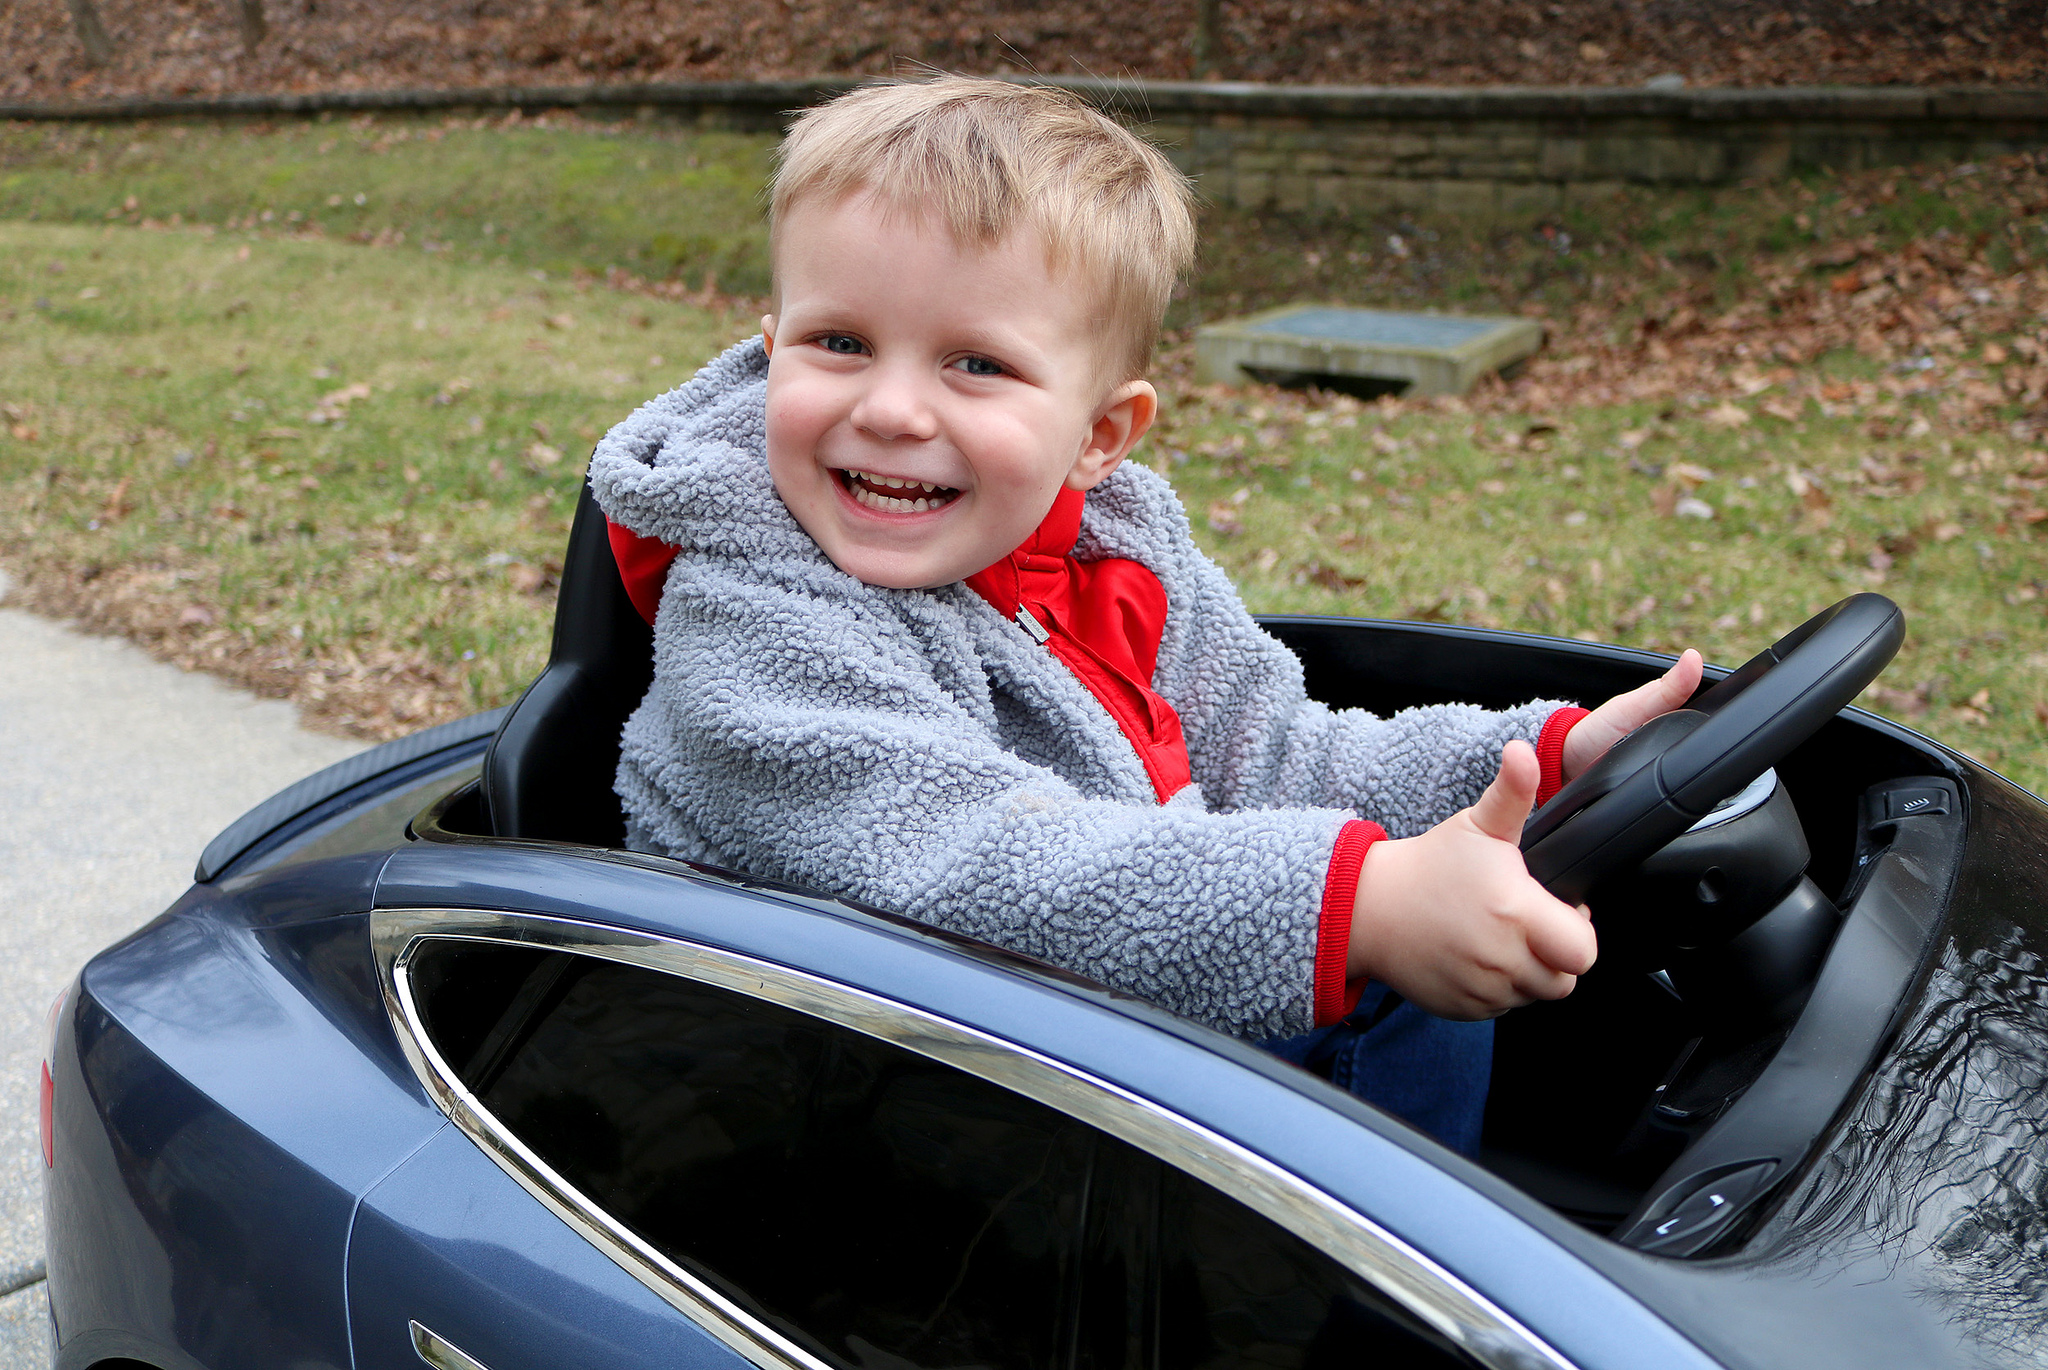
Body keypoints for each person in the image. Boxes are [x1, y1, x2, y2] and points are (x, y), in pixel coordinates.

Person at [589, 76, 1701, 1154]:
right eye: (839, 343)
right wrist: (1360, 903)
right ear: (771, 343)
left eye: (975, 364)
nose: (887, 408)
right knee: (1384, 976)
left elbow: (1272, 752)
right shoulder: (754, 618)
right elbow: (976, 867)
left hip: (1042, 1030)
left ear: (1098, 434)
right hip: (837, 1095)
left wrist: (1538, 758)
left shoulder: (1111, 548)